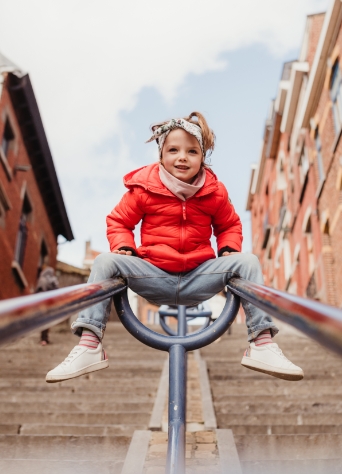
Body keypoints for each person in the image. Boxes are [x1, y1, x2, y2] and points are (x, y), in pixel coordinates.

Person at [46, 112, 303, 383]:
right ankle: (89, 345)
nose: (182, 157)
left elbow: (230, 225)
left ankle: (262, 343)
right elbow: (119, 221)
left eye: (192, 151)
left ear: (202, 157)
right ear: (161, 155)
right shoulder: (143, 188)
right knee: (105, 262)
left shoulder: (214, 192)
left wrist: (227, 249)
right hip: (154, 275)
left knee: (248, 261)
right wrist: (125, 247)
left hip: (198, 277)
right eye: (173, 150)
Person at [35, 262, 59, 345]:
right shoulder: (53, 279)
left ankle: (43, 339)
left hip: (44, 303)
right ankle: (46, 338)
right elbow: (57, 291)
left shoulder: (42, 279)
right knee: (48, 321)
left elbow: (39, 291)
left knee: (44, 321)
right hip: (50, 303)